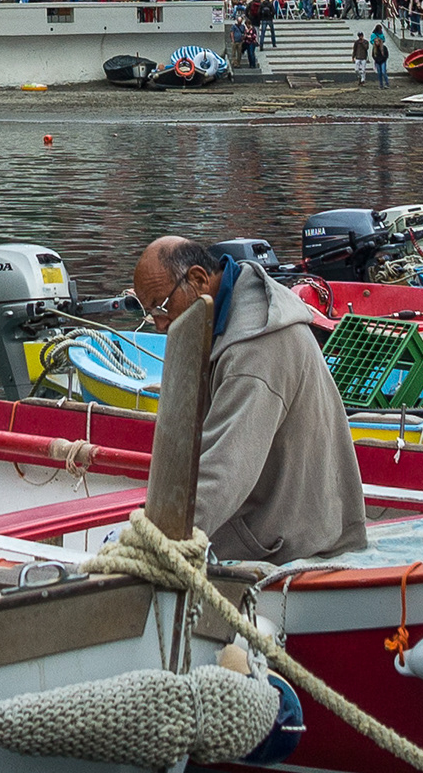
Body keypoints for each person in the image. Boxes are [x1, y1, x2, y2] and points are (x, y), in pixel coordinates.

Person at [126, 236, 368, 561]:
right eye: (149, 313)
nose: (159, 324)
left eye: (162, 306)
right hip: (280, 520)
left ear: (198, 279)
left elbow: (224, 472)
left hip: (296, 543)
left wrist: (150, 545)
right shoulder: (225, 313)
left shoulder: (254, 351)